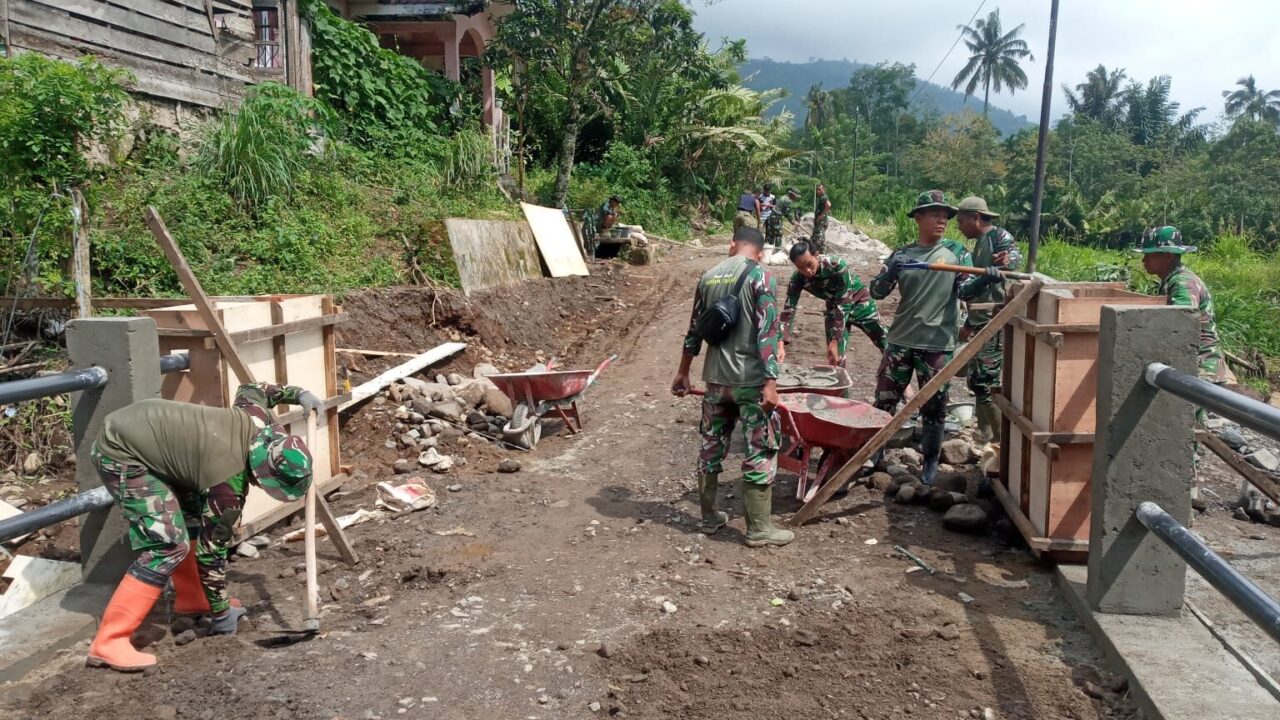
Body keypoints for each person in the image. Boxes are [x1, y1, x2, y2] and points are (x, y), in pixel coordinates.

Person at [86, 382, 321, 672]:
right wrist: (222, 614)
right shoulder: (227, 483)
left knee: (193, 516)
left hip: (147, 432)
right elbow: (212, 553)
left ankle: (193, 599)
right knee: (167, 543)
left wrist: (299, 394)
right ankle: (110, 640)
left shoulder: (257, 420)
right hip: (121, 451)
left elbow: (255, 389)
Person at [672, 227, 793, 547]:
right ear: (761, 251)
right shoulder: (762, 276)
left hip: (715, 381)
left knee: (710, 447)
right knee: (760, 451)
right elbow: (767, 332)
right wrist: (771, 381)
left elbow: (694, 330)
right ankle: (759, 530)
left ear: (733, 245)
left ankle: (709, 517)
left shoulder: (708, 276)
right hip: (750, 382)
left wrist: (683, 373)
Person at [870, 190, 998, 485]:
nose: (942, 219)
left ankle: (929, 464)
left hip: (938, 344)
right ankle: (874, 454)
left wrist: (986, 277)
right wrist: (888, 271)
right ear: (918, 217)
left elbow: (965, 291)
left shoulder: (956, 253)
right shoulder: (902, 255)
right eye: (935, 214)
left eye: (946, 215)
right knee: (885, 401)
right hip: (901, 340)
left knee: (935, 407)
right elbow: (878, 292)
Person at [1136, 225, 1238, 511]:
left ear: (1167, 255)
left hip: (1198, 364)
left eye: (1149, 254)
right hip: (1191, 363)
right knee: (1183, 426)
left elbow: (1179, 323)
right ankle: (1183, 487)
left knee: (1185, 427)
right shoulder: (1172, 279)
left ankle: (1186, 490)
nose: (1144, 261)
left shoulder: (1182, 283)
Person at [954, 196, 1023, 444]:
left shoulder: (998, 237)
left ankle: (996, 440)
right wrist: (969, 324)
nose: (959, 227)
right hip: (981, 318)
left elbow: (1014, 256)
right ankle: (986, 433)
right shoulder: (979, 244)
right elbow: (976, 288)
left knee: (986, 381)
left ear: (975, 217)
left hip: (996, 319)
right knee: (977, 378)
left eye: (961, 221)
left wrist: (1006, 261)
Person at [779, 240, 887, 368]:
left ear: (817, 255)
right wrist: (780, 343)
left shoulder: (836, 265)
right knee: (835, 359)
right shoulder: (797, 279)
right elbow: (788, 310)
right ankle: (841, 387)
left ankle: (904, 386)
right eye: (801, 268)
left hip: (859, 303)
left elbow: (844, 302)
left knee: (887, 345)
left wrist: (835, 340)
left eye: (809, 264)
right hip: (834, 309)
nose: (807, 271)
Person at [810, 184, 832, 253]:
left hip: (822, 221)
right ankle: (815, 252)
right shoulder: (820, 198)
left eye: (819, 189)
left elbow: (828, 205)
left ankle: (822, 253)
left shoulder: (824, 197)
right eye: (817, 189)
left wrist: (821, 216)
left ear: (823, 190)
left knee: (820, 237)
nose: (818, 191)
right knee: (815, 237)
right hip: (819, 220)